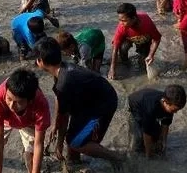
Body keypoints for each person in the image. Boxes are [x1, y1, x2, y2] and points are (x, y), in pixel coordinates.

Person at [34, 38, 121, 166]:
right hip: (87, 102)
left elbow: (63, 118)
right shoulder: (61, 69)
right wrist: (55, 124)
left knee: (75, 142)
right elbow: (59, 99)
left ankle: (116, 158)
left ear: (41, 61)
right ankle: (74, 162)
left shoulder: (64, 82)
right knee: (72, 136)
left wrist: (59, 143)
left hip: (102, 105)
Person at [0, 69, 50, 173]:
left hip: (30, 121)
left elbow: (39, 144)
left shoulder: (41, 105)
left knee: (31, 153)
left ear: (30, 101)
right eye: (9, 99)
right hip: (3, 116)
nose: (11, 105)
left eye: (17, 102)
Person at [128, 85, 187, 157]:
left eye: (177, 110)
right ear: (165, 101)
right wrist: (149, 155)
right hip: (136, 105)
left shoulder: (170, 105)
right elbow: (146, 133)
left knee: (156, 136)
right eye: (174, 110)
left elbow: (165, 124)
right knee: (139, 141)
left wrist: (163, 142)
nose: (176, 112)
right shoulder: (150, 108)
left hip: (148, 96)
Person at [108, 3, 162, 80]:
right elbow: (115, 47)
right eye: (119, 20)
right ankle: (125, 62)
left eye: (124, 21)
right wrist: (112, 68)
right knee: (123, 48)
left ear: (134, 18)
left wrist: (151, 55)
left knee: (143, 64)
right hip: (128, 38)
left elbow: (157, 39)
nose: (121, 23)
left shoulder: (147, 24)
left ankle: (142, 57)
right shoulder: (122, 27)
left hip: (144, 37)